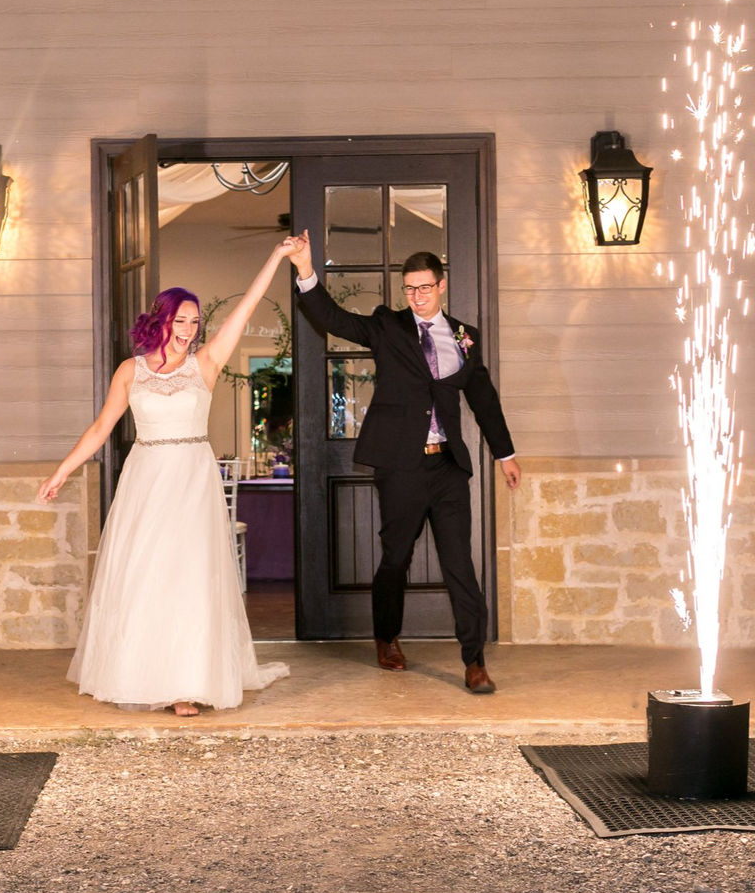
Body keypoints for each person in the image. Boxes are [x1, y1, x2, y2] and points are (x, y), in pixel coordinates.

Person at [38, 240, 299, 716]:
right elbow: (101, 429)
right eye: (181, 320)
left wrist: (277, 258)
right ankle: (140, 674)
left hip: (193, 479)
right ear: (161, 320)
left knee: (190, 577)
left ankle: (185, 685)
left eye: (195, 322)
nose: (189, 330)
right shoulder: (130, 371)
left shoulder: (206, 364)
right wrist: (62, 471)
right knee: (147, 575)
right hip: (147, 480)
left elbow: (246, 307)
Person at [287, 230, 520, 694]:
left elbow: (483, 398)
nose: (416, 296)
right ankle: (387, 636)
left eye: (424, 287)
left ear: (441, 286)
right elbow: (332, 318)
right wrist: (305, 269)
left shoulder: (464, 338)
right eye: (409, 288)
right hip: (401, 467)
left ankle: (474, 661)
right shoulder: (387, 326)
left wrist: (505, 453)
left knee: (460, 564)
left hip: (448, 466)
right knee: (396, 558)